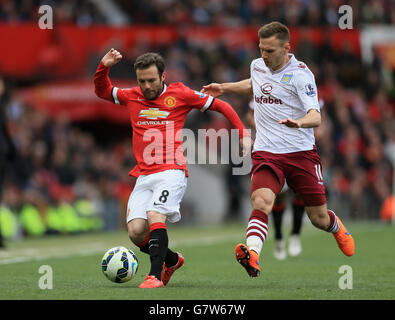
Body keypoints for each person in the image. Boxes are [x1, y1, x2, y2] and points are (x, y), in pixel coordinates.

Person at [201, 21, 355, 278]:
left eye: (270, 50)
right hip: (267, 151)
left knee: (318, 219)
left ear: (287, 48)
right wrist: (225, 88)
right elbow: (255, 83)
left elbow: (316, 116)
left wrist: (299, 123)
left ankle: (337, 227)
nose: (263, 55)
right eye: (261, 49)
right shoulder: (258, 65)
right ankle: (253, 254)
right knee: (261, 202)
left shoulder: (302, 75)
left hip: (301, 153)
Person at [94, 49, 253, 288]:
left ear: (163, 76)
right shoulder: (132, 95)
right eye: (142, 81)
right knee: (136, 232)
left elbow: (222, 106)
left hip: (171, 170)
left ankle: (154, 276)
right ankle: (171, 259)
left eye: (151, 80)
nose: (147, 86)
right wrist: (103, 67)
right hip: (144, 174)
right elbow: (102, 91)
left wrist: (243, 134)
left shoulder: (180, 93)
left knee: (155, 215)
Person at [246, 101, 305, 260]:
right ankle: (279, 236)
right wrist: (267, 126)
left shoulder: (302, 84)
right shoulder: (267, 87)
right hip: (271, 149)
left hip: (298, 147)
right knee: (278, 195)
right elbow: (250, 114)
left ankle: (295, 234)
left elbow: (319, 116)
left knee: (300, 192)